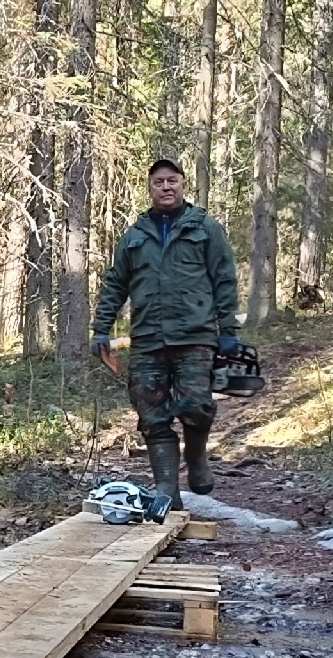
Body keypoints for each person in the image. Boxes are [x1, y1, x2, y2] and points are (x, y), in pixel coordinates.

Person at [91, 158, 241, 510]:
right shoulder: (134, 236)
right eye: (159, 182)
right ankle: (167, 493)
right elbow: (116, 284)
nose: (166, 187)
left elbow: (224, 278)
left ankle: (198, 459)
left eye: (172, 180)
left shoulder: (205, 228)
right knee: (152, 415)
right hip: (148, 339)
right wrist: (101, 329)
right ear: (150, 187)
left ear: (183, 185)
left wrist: (229, 330)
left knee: (197, 406)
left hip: (196, 336)